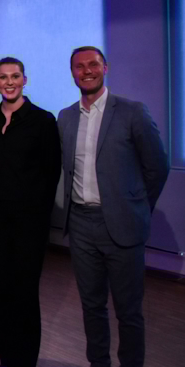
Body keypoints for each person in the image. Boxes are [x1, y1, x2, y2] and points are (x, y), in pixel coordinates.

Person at [58, 46, 169, 367]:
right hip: (81, 225)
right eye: (79, 67)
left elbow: (157, 168)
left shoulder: (133, 112)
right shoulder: (66, 117)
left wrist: (136, 208)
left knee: (128, 311)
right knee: (91, 307)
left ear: (105, 68)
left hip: (122, 226)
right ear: (73, 73)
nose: (87, 71)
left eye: (93, 64)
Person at [0, 57, 61, 367]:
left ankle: (26, 361)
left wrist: (38, 220)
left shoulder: (43, 121)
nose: (10, 82)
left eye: (15, 76)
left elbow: (51, 174)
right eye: (4, 77)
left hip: (30, 226)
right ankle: (8, 359)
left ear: (24, 80)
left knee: (26, 295)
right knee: (3, 293)